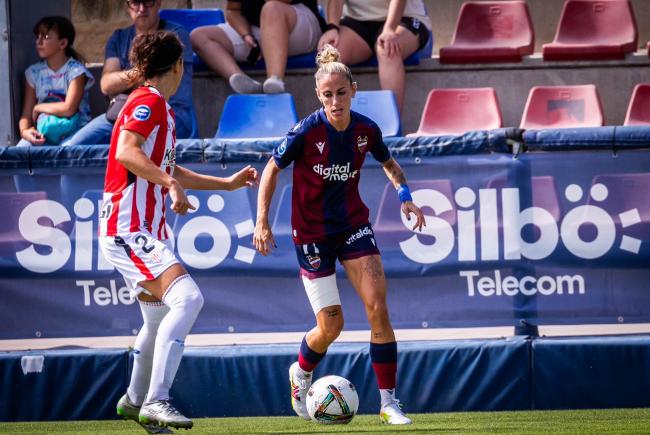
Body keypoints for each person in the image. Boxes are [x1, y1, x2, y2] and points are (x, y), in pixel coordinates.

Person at [253, 45, 426, 425]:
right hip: (312, 234)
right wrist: (262, 220)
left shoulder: (366, 130)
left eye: (341, 93)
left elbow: (390, 165)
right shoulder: (305, 131)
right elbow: (270, 169)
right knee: (331, 326)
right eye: (327, 95)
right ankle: (300, 372)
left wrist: (405, 197)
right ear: (319, 96)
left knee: (378, 307)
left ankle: (388, 404)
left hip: (353, 226)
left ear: (353, 90)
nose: (335, 101)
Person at [99, 31, 258, 432]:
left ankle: (134, 401)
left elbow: (167, 168)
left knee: (156, 321)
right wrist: (170, 186)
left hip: (144, 228)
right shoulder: (149, 100)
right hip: (128, 226)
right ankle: (157, 400)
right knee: (188, 298)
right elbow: (126, 152)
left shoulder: (161, 110)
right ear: (178, 67)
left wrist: (225, 184)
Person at [68, 0, 195, 145]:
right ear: (127, 6)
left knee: (134, 146)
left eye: (148, 2)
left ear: (158, 3)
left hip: (171, 112)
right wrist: (145, 70)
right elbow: (107, 85)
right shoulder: (118, 38)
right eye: (135, 2)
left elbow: (163, 84)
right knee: (74, 147)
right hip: (123, 111)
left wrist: (123, 80)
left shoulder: (176, 34)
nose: (141, 8)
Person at [318, 0, 431, 113]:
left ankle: (392, 123)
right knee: (330, 54)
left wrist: (389, 29)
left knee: (388, 49)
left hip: (405, 17)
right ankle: (334, 122)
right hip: (357, 20)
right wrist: (332, 27)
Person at [191, 0, 325, 94]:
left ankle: (275, 81)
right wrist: (246, 35)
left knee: (271, 8)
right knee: (199, 36)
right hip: (257, 29)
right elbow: (233, 10)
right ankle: (242, 80)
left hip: (299, 25)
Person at [16, 16, 94, 147]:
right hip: (45, 131)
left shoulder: (76, 71)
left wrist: (38, 107)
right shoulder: (33, 73)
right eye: (38, 36)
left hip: (74, 130)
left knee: (68, 152)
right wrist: (25, 131)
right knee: (22, 150)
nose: (39, 41)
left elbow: (69, 108)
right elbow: (26, 114)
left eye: (45, 36)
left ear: (62, 43)